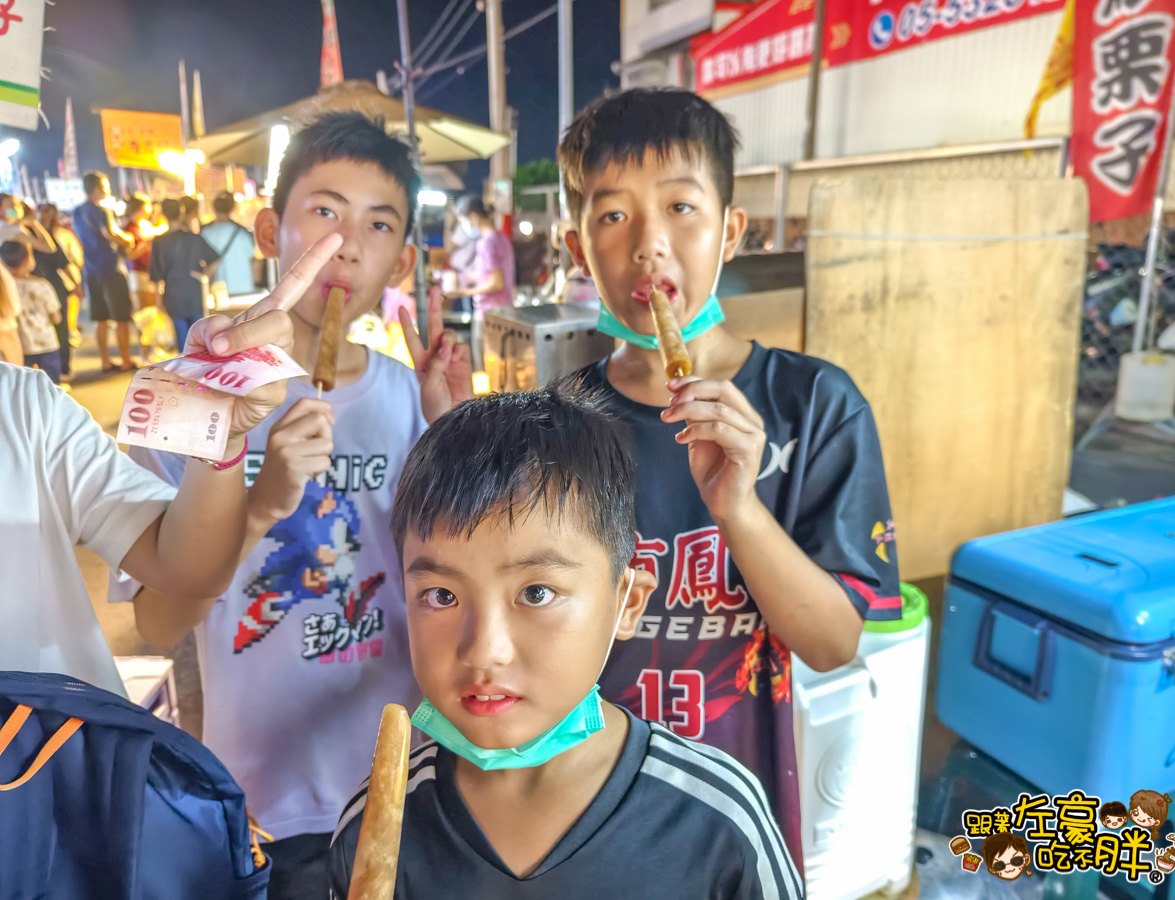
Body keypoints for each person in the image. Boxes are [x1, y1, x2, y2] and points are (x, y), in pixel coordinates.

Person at [113, 112, 472, 900]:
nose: (347, 244)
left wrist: (453, 428)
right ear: (272, 228)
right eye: (324, 211)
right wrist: (260, 504)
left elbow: (467, 585)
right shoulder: (185, 397)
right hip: (261, 803)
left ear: (403, 258)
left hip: (407, 785)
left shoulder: (416, 401)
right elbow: (157, 624)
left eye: (378, 223)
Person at [558, 88, 901, 869]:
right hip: (583, 811)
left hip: (740, 814)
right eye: (612, 216)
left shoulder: (815, 405)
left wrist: (738, 509)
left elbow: (834, 642)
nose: (649, 245)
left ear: (731, 231)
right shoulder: (557, 424)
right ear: (578, 251)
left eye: (681, 207)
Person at [328, 383, 804, 900]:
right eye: (441, 596)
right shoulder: (378, 824)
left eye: (536, 592)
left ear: (628, 602)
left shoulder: (719, 819)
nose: (485, 650)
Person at [2, 224, 339, 700]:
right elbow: (158, 622)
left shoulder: (22, 406)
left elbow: (189, 572)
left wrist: (218, 430)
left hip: (70, 763)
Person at [74, 171, 136, 371]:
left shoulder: (77, 212)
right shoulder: (102, 210)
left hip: (91, 270)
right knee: (121, 318)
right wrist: (127, 239)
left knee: (101, 319)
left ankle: (105, 361)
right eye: (105, 187)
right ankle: (126, 360)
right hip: (110, 268)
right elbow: (110, 234)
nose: (108, 191)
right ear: (96, 189)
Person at [444, 195, 514, 368]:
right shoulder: (500, 238)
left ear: (473, 216)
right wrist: (471, 278)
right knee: (500, 369)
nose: (464, 226)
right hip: (503, 312)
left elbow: (496, 283)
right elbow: (492, 274)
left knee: (487, 370)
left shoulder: (488, 242)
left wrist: (463, 292)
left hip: (489, 315)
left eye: (463, 221)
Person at [149, 198, 221, 346]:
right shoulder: (194, 238)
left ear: (164, 215)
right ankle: (201, 368)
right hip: (194, 292)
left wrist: (158, 303)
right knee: (200, 337)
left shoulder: (159, 242)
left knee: (183, 341)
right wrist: (204, 276)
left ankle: (185, 367)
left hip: (173, 295)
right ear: (182, 214)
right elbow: (215, 259)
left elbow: (157, 277)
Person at [2, 241, 62, 384]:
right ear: (26, 260)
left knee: (27, 385)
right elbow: (57, 318)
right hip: (47, 343)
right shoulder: (43, 285)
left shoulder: (6, 288)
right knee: (52, 385)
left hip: (25, 345)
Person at [33, 203, 80, 382]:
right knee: (44, 327)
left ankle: (62, 369)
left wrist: (76, 284)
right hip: (38, 287)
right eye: (44, 213)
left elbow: (64, 261)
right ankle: (49, 371)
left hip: (54, 285)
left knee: (60, 327)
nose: (47, 218)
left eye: (52, 215)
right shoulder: (26, 234)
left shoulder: (54, 236)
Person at [201, 191, 259, 298]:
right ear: (233, 208)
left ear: (214, 208)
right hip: (244, 289)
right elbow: (253, 262)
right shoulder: (243, 233)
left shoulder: (205, 233)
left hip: (219, 293)